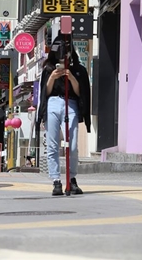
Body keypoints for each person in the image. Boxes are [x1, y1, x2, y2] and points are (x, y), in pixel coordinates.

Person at [38, 34, 91, 196]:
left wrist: (71, 77)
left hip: (71, 104)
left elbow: (80, 92)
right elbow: (44, 93)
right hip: (53, 103)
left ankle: (72, 178)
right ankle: (56, 180)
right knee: (52, 145)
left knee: (73, 146)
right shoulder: (48, 69)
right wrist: (52, 78)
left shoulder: (78, 69)